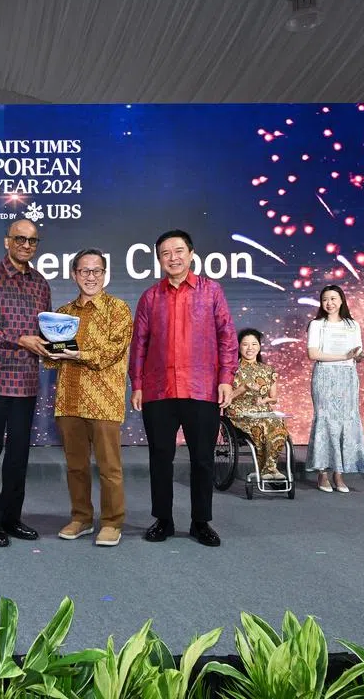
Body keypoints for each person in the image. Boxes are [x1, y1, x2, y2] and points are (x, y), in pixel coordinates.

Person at [129, 230, 235, 547]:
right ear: (159, 259)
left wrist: (226, 378)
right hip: (158, 390)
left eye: (178, 251)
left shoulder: (211, 291)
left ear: (191, 254)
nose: (173, 258)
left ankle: (200, 522)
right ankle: (163, 520)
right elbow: (139, 345)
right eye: (165, 253)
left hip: (201, 389)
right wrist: (137, 384)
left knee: (202, 459)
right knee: (160, 457)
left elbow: (227, 337)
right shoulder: (150, 297)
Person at [0, 219, 51, 547]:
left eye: (32, 241)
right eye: (20, 239)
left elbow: (43, 332)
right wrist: (20, 340)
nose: (26, 245)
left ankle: (11, 517)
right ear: (7, 242)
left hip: (26, 382)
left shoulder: (41, 284)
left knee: (18, 456)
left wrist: (53, 347)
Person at [44, 249, 133, 547]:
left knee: (110, 468)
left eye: (96, 271)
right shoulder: (63, 313)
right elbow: (53, 359)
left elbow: (112, 352)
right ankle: (81, 518)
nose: (90, 276)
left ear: (105, 274)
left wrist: (78, 353)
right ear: (74, 274)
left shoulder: (118, 309)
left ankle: (111, 522)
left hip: (104, 401)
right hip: (69, 399)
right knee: (76, 466)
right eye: (84, 271)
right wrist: (47, 348)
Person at [306, 285, 364, 493]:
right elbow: (313, 354)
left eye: (334, 298)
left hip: (347, 376)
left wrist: (360, 356)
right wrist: (345, 356)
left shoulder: (352, 325)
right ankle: (323, 474)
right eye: (325, 299)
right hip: (325, 376)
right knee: (325, 421)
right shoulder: (317, 325)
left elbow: (356, 355)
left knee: (346, 420)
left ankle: (339, 473)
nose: (330, 303)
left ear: (342, 300)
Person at [227, 328, 291, 482]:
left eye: (254, 344)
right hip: (239, 411)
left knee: (278, 423)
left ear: (259, 346)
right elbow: (226, 398)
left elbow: (273, 398)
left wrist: (265, 401)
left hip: (262, 411)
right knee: (263, 424)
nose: (250, 348)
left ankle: (269, 468)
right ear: (239, 347)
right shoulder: (231, 369)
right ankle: (268, 469)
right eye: (245, 345)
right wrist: (244, 388)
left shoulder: (268, 370)